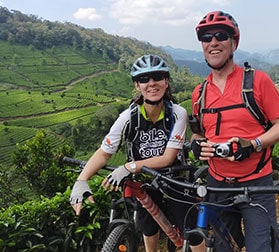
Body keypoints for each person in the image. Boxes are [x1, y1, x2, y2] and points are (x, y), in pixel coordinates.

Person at [69, 54, 204, 252]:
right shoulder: (128, 118)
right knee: (148, 228)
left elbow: (168, 158)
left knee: (191, 229)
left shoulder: (177, 113)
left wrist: (129, 166)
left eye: (157, 77)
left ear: (166, 82)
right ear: (137, 85)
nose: (152, 84)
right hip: (144, 180)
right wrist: (81, 181)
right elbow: (105, 152)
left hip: (176, 176)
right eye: (144, 79)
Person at [190, 11, 279, 251]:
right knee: (224, 247)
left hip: (257, 183)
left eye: (221, 36)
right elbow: (199, 134)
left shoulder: (257, 81)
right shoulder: (199, 93)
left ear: (233, 42)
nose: (213, 42)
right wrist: (197, 144)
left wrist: (252, 144)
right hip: (217, 184)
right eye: (206, 38)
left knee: (261, 246)